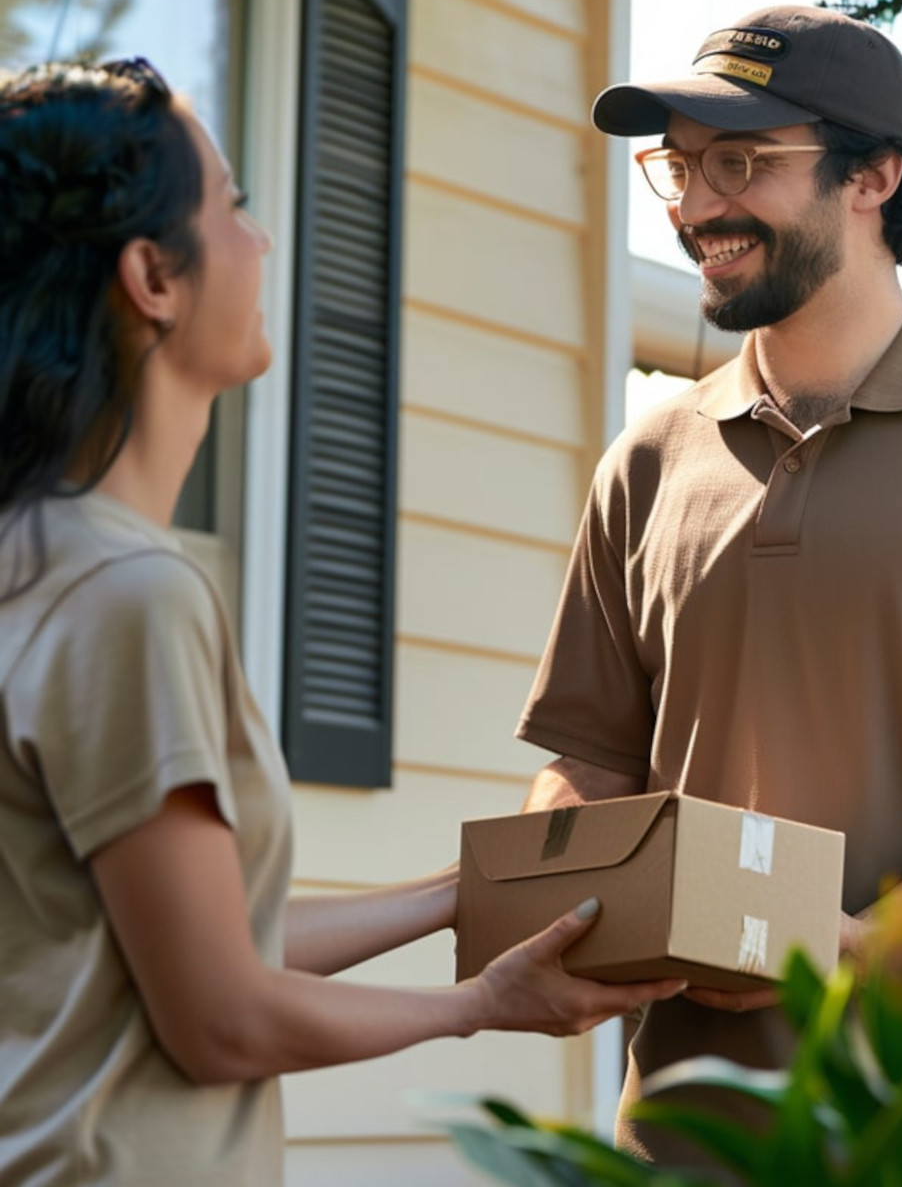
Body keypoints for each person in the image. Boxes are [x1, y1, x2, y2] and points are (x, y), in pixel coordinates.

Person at [0, 58, 689, 1187]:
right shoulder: (128, 596)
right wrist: (479, 1005)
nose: (258, 241)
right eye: (230, 206)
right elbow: (219, 1017)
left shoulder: (38, 565)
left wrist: (450, 899)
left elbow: (202, 950)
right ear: (150, 277)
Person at [515, 5, 902, 1158]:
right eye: (680, 165)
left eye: (742, 162)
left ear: (874, 174)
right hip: (685, 1123)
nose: (697, 204)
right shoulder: (647, 462)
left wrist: (859, 943)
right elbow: (587, 761)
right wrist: (563, 890)